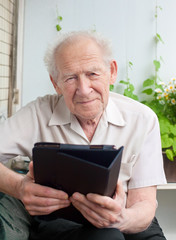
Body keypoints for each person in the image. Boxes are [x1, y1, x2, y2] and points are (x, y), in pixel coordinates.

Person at [0, 31, 167, 240]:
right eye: (70, 78)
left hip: (127, 217)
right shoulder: (37, 113)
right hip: (61, 222)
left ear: (112, 71)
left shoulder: (142, 119)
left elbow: (144, 203)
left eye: (92, 74)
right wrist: (18, 187)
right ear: (55, 82)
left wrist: (119, 219)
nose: (84, 89)